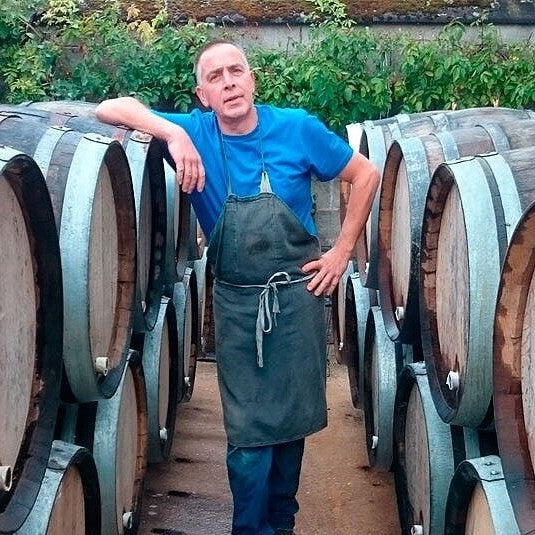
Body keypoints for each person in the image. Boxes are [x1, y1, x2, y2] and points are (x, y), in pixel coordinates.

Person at [96, 39, 379, 535]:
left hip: (296, 302)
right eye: (215, 77)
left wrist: (340, 253)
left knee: (291, 434)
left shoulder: (296, 127)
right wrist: (171, 135)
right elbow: (109, 109)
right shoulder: (195, 131)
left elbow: (367, 173)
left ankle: (281, 525)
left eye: (236, 71)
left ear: (252, 79)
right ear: (202, 94)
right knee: (248, 445)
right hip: (236, 308)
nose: (228, 83)